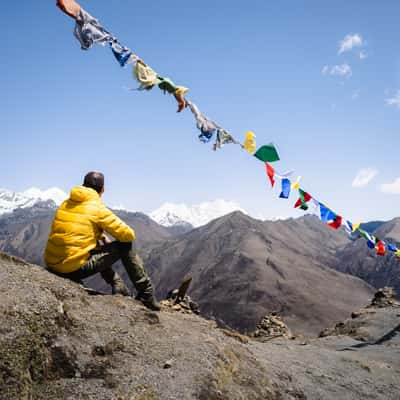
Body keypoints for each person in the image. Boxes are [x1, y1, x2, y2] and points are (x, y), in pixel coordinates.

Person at [45, 171, 160, 311]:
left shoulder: (66, 203)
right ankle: (147, 294)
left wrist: (99, 235)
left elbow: (76, 230)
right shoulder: (97, 208)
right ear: (102, 189)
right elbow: (128, 235)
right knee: (124, 245)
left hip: (52, 263)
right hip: (71, 268)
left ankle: (118, 285)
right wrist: (103, 234)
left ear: (83, 185)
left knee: (94, 245)